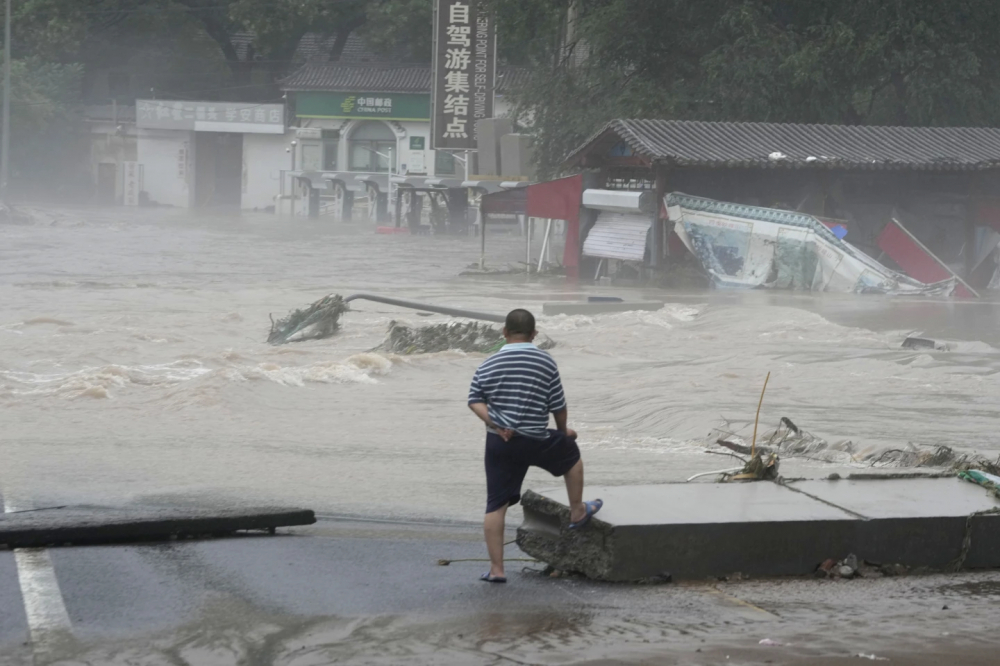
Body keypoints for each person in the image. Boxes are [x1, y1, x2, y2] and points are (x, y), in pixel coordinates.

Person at [467, 308, 602, 584]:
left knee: (495, 505)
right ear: (534, 334)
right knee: (572, 456)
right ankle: (577, 510)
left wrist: (494, 424)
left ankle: (496, 570)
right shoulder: (545, 361)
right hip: (536, 439)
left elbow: (474, 399)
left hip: (500, 442)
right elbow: (558, 405)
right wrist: (564, 433)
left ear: (504, 332)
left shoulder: (489, 363)